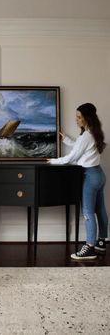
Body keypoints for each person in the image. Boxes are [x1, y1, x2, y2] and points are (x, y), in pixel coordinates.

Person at [49, 103, 108, 260]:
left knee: (88, 212)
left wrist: (52, 161)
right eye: (76, 116)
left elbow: (72, 157)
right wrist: (66, 139)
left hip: (90, 176)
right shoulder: (93, 133)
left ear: (87, 118)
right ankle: (101, 242)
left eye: (79, 117)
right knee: (100, 210)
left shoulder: (86, 136)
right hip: (99, 175)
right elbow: (81, 148)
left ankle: (89, 247)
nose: (76, 119)